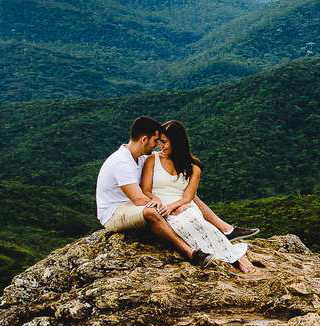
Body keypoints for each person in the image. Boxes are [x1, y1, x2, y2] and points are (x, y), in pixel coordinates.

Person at [142, 120, 255, 273]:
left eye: (164, 142)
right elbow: (146, 190)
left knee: (195, 221)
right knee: (180, 226)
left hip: (182, 204)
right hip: (160, 205)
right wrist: (161, 204)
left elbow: (188, 197)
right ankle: (216, 255)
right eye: (160, 142)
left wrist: (175, 206)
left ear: (177, 142)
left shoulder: (193, 167)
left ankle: (235, 256)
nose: (160, 145)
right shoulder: (152, 160)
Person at [95, 116, 211, 265]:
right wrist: (166, 207)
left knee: (186, 196)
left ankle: (223, 230)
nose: (157, 145)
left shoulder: (140, 157)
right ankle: (190, 253)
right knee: (153, 212)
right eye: (155, 141)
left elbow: (166, 163)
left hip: (131, 206)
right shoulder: (121, 161)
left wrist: (177, 201)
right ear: (144, 140)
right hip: (114, 213)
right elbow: (139, 200)